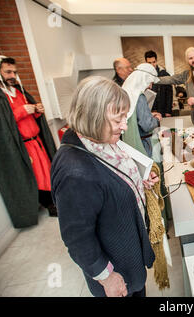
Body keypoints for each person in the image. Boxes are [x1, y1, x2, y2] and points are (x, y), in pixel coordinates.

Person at [51, 76, 159, 297]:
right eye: (117, 119)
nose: (124, 126)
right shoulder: (75, 172)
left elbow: (113, 177)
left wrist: (138, 180)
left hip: (128, 254)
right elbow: (77, 238)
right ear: (92, 116)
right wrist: (106, 277)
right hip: (115, 268)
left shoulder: (98, 138)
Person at [0, 55, 57, 228]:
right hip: (20, 145)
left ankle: (54, 200)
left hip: (36, 141)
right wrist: (22, 111)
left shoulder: (17, 90)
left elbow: (29, 116)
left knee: (47, 171)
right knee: (36, 176)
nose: (12, 76)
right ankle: (48, 204)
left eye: (14, 72)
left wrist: (36, 111)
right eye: (8, 72)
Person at [157, 47, 194, 136]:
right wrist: (154, 79)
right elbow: (171, 79)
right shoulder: (186, 74)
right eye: (191, 58)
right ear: (187, 60)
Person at [122, 63, 162, 157]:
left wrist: (149, 114)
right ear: (144, 79)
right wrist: (157, 119)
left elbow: (134, 116)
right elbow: (147, 125)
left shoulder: (127, 91)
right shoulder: (139, 97)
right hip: (142, 142)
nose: (150, 87)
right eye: (150, 82)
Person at [145, 50, 173, 117]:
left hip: (162, 110)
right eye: (149, 63)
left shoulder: (164, 74)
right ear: (146, 62)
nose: (152, 65)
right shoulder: (143, 76)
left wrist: (168, 111)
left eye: (154, 62)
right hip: (149, 111)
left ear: (156, 61)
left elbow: (169, 94)